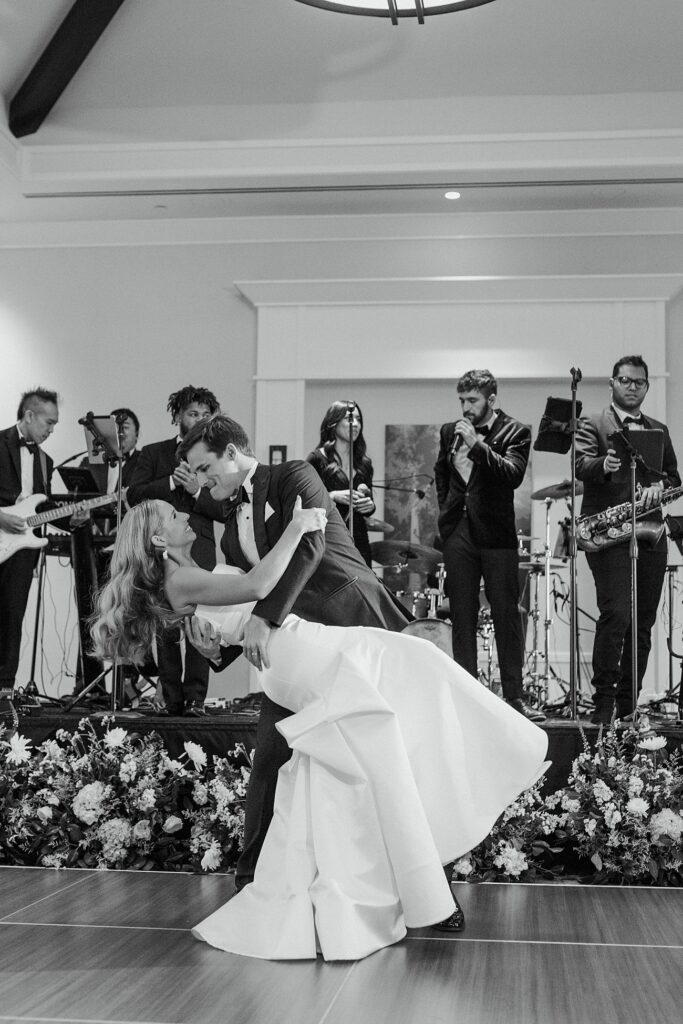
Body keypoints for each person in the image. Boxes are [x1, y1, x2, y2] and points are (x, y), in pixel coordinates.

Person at [91, 498, 549, 962]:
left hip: (295, 645)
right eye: (173, 517)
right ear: (157, 540)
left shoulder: (191, 572)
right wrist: (297, 526)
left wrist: (211, 641)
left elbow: (236, 614)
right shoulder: (180, 578)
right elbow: (258, 584)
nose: (185, 516)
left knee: (368, 743)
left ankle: (350, 889)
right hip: (294, 653)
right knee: (413, 669)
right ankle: (508, 745)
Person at [177, 416, 426, 902]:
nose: (204, 483)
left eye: (206, 469)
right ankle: (252, 883)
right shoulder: (229, 524)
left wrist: (264, 620)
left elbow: (309, 547)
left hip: (353, 627)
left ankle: (423, 888)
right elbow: (247, 595)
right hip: (295, 657)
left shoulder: (295, 475)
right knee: (270, 759)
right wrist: (219, 648)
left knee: (389, 765)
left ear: (231, 452)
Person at [434, 369, 544, 723]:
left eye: (472, 401)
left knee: (506, 614)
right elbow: (442, 473)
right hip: (458, 533)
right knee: (462, 615)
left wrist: (477, 446)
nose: (465, 408)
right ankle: (467, 694)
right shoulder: (449, 432)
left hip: (497, 535)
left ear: (491, 400)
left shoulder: (516, 431)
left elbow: (512, 474)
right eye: (462, 401)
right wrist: (447, 512)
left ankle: (514, 696)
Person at [575, 355, 680, 724]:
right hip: (608, 533)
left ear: (646, 386)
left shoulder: (658, 430)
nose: (631, 386)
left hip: (650, 532)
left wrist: (658, 487)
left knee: (643, 623)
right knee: (616, 614)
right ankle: (603, 704)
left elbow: (673, 479)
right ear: (612, 384)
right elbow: (579, 466)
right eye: (625, 380)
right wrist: (602, 466)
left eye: (638, 382)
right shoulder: (591, 423)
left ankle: (628, 704)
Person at [126, 386, 224, 716]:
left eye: (205, 415)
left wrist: (198, 492)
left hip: (201, 545)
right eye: (192, 413)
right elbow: (134, 496)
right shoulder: (153, 454)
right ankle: (171, 699)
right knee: (165, 619)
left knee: (201, 618)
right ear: (178, 417)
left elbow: (226, 507)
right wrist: (170, 482)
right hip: (160, 545)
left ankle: (196, 698)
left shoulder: (215, 460)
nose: (198, 420)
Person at [71, 408, 142, 700]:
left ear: (138, 434)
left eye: (127, 429)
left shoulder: (143, 464)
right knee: (91, 614)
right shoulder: (92, 463)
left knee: (126, 615)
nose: (121, 434)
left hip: (127, 555)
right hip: (95, 548)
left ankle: (127, 685)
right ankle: (89, 684)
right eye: (116, 429)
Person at [0, 388, 59, 690]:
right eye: (48, 423)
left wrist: (72, 519)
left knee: (13, 617)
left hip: (23, 551)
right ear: (29, 415)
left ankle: (5, 688)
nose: (51, 430)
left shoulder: (46, 461)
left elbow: (44, 510)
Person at [306, 400, 376, 565]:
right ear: (333, 422)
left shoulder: (364, 463)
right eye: (350, 419)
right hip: (329, 538)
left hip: (359, 538)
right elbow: (305, 501)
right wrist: (332, 495)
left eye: (359, 419)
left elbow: (369, 504)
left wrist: (370, 505)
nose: (356, 424)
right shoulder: (316, 459)